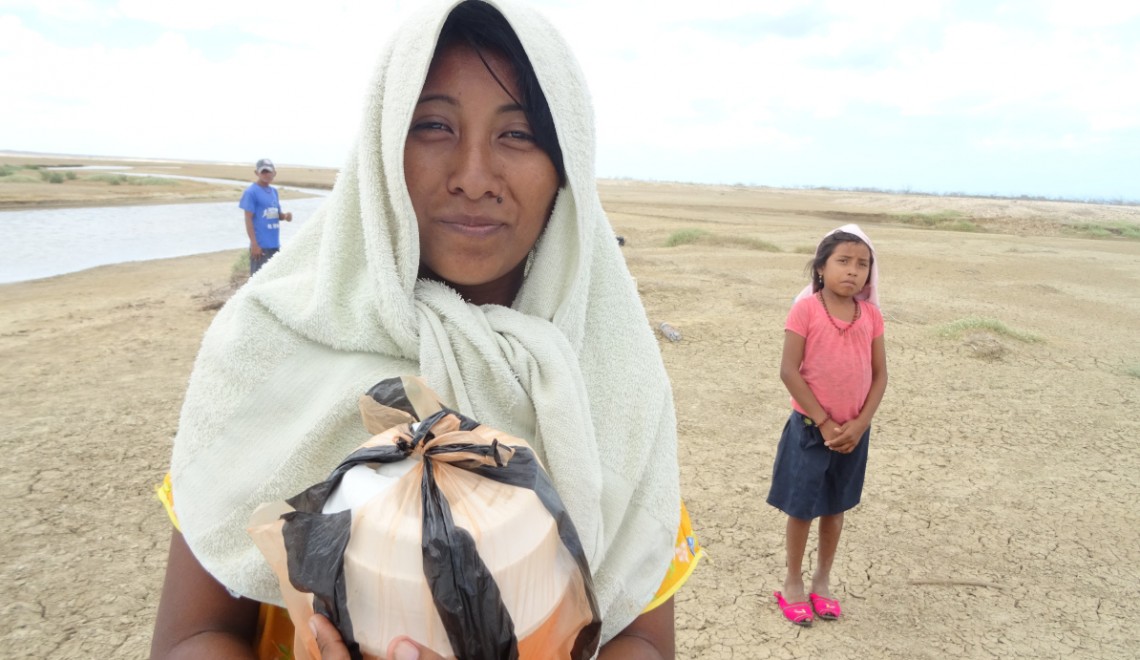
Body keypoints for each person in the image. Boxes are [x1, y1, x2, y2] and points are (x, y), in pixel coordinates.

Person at [151, 1, 699, 658]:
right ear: (381, 147)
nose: (473, 178)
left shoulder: (612, 374)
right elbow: (194, 635)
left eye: (518, 134)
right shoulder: (267, 345)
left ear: (566, 166)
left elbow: (640, 634)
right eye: (434, 125)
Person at [767, 224, 888, 627]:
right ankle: (793, 582)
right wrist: (822, 421)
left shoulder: (870, 315)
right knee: (802, 508)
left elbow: (880, 375)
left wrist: (859, 424)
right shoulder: (805, 309)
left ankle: (822, 581)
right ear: (820, 267)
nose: (853, 271)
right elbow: (789, 371)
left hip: (853, 433)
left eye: (862, 264)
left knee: (835, 507)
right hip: (810, 428)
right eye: (843, 261)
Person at [239, 158, 292, 275]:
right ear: (257, 173)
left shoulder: (274, 192)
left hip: (275, 246)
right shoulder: (251, 192)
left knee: (272, 282)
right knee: (257, 284)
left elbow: (276, 214)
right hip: (261, 247)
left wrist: (286, 216)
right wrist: (254, 244)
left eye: (269, 171)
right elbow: (248, 219)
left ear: (274, 173)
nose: (266, 174)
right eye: (263, 172)